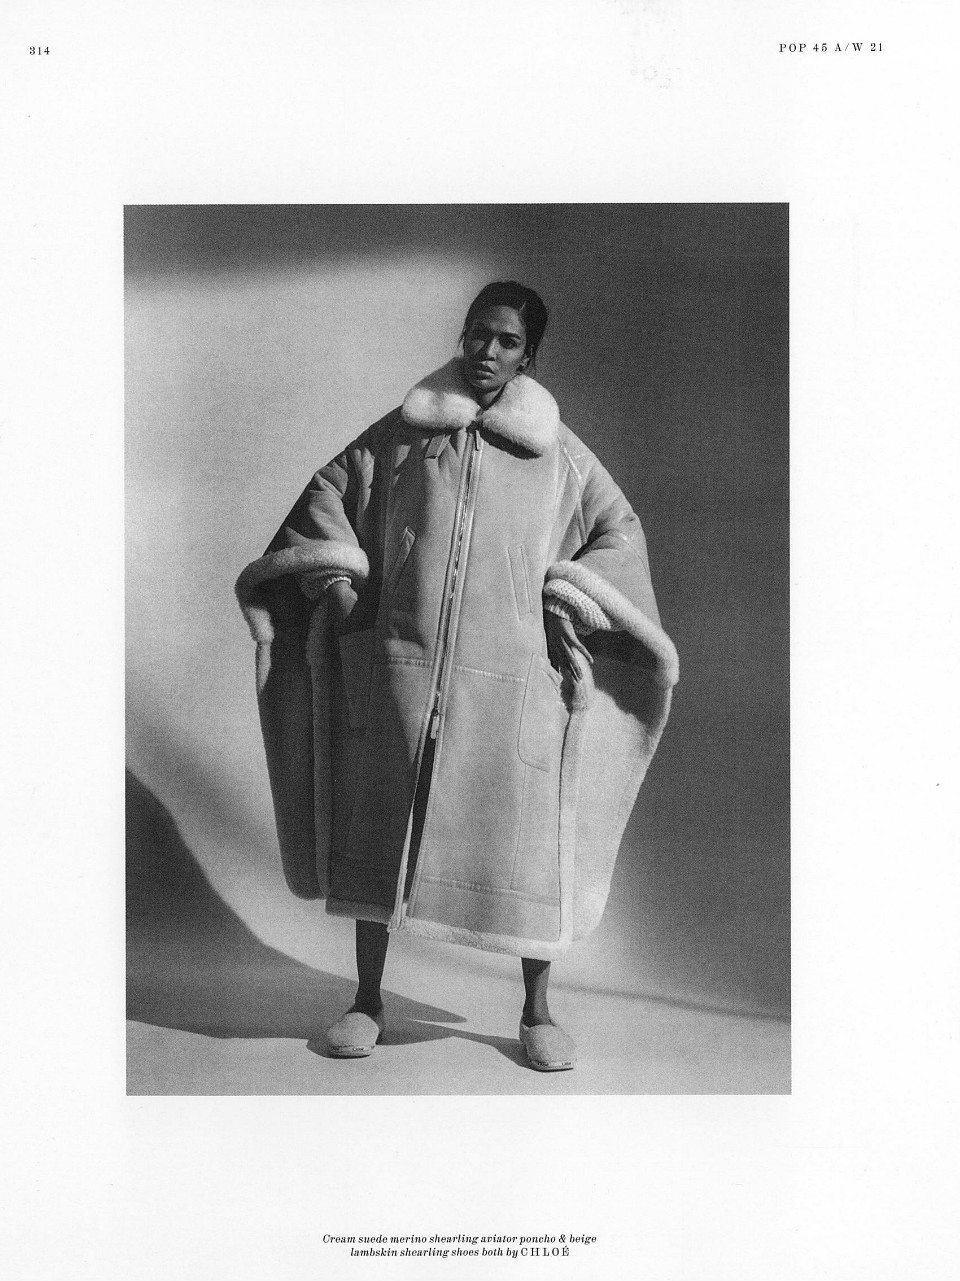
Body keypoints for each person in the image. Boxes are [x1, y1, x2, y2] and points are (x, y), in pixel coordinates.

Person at [236, 282, 678, 1071]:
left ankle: (537, 1011)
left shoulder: (560, 458)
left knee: (527, 854)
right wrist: (338, 579)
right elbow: (328, 491)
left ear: (529, 355)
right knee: (380, 835)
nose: (486, 352)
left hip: (511, 688)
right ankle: (367, 1000)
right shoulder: (402, 435)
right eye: (478, 333)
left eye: (506, 341)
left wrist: (570, 598)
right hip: (403, 677)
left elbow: (619, 531)